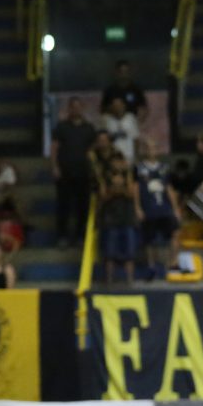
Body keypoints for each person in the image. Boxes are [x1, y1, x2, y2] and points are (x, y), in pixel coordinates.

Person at [52, 98, 97, 247]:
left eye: (78, 106)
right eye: (73, 107)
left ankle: (80, 236)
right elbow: (54, 148)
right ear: (69, 108)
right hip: (65, 172)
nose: (76, 109)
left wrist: (93, 169)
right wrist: (55, 166)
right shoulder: (61, 127)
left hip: (84, 172)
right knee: (63, 205)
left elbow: (93, 150)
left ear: (82, 108)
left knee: (83, 206)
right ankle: (62, 236)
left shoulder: (89, 128)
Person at [135, 139, 183, 275]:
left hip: (164, 208)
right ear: (145, 150)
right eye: (149, 148)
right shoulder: (139, 168)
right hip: (149, 208)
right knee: (149, 239)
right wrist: (137, 207)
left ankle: (173, 263)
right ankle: (151, 266)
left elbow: (169, 188)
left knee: (175, 233)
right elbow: (135, 188)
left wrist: (175, 208)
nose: (152, 151)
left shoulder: (164, 167)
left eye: (154, 148)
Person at [100, 171, 138, 284]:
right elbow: (103, 197)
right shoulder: (106, 186)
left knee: (130, 254)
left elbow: (131, 194)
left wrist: (121, 189)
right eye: (115, 178)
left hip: (127, 223)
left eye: (120, 178)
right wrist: (113, 191)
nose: (117, 180)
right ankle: (109, 280)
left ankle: (130, 280)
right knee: (109, 255)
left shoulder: (129, 187)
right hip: (111, 224)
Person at [102, 97, 140, 165]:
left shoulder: (130, 118)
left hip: (129, 156)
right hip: (113, 157)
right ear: (111, 107)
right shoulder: (106, 120)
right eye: (115, 106)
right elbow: (104, 140)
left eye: (119, 105)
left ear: (124, 106)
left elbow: (136, 139)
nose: (117, 108)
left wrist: (136, 156)